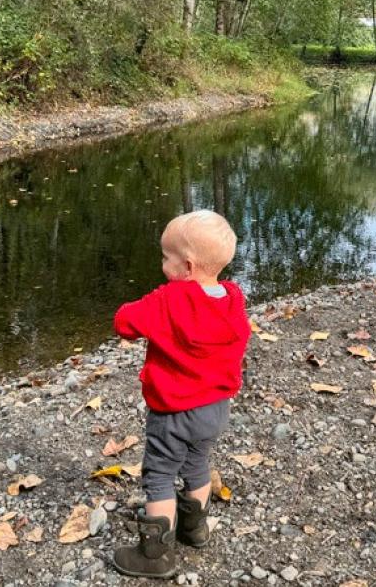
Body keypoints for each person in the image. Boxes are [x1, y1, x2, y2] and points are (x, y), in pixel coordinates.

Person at [110, 210, 251, 578]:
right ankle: (195, 529)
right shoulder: (233, 299)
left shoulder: (170, 300)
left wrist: (138, 308)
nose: (162, 263)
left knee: (158, 474)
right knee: (196, 464)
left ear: (186, 266)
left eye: (165, 257)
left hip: (173, 411)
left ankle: (154, 556)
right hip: (216, 410)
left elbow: (124, 323)